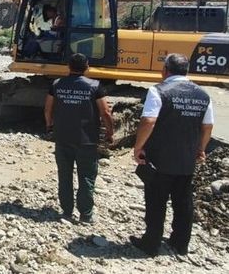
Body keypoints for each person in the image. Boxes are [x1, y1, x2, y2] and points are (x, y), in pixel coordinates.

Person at [129, 53, 214, 257]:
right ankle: (180, 243)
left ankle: (151, 243)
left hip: (160, 158)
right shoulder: (203, 95)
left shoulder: (158, 91)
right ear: (186, 71)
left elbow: (149, 121)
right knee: (183, 201)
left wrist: (138, 147)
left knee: (156, 201)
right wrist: (200, 149)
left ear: (165, 70)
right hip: (186, 159)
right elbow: (208, 126)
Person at [44, 53, 115, 223]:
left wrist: (49, 126)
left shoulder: (56, 84)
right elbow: (105, 112)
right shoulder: (95, 86)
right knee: (86, 177)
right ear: (87, 66)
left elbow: (48, 109)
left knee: (65, 175)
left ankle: (67, 211)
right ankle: (86, 214)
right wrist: (110, 132)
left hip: (62, 137)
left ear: (69, 66)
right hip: (87, 139)